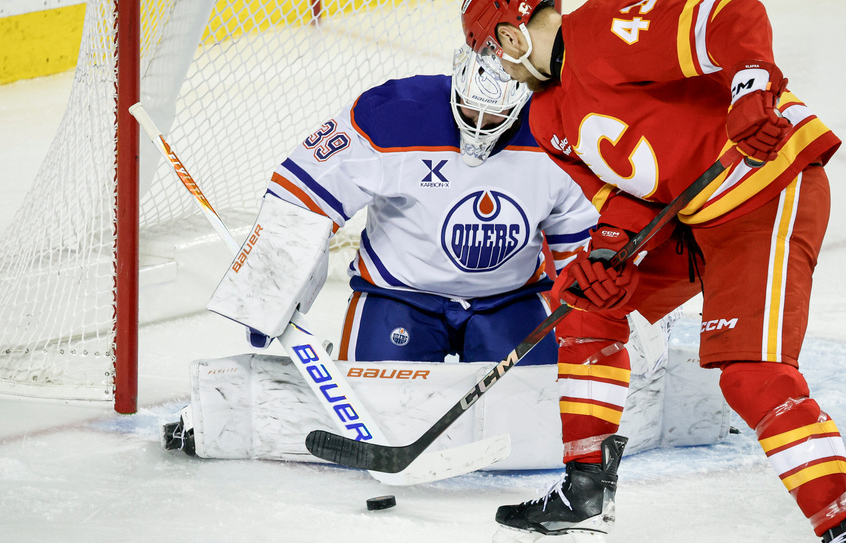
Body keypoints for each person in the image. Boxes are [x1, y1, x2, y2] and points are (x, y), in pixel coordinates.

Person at [460, 0, 846, 543]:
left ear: (507, 36)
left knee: (751, 376)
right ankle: (582, 507)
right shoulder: (546, 115)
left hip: (767, 183)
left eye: (488, 53)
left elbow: (735, 17)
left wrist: (751, 87)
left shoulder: (602, 31)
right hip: (695, 217)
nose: (493, 69)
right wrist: (607, 255)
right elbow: (620, 202)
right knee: (585, 303)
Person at [254, 46, 599, 365]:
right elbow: (303, 193)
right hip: (399, 294)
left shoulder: (559, 131)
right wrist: (270, 289)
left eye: (494, 114)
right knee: (374, 412)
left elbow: (581, 236)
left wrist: (597, 312)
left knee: (541, 413)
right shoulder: (394, 114)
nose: (478, 124)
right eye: (470, 107)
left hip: (512, 298)